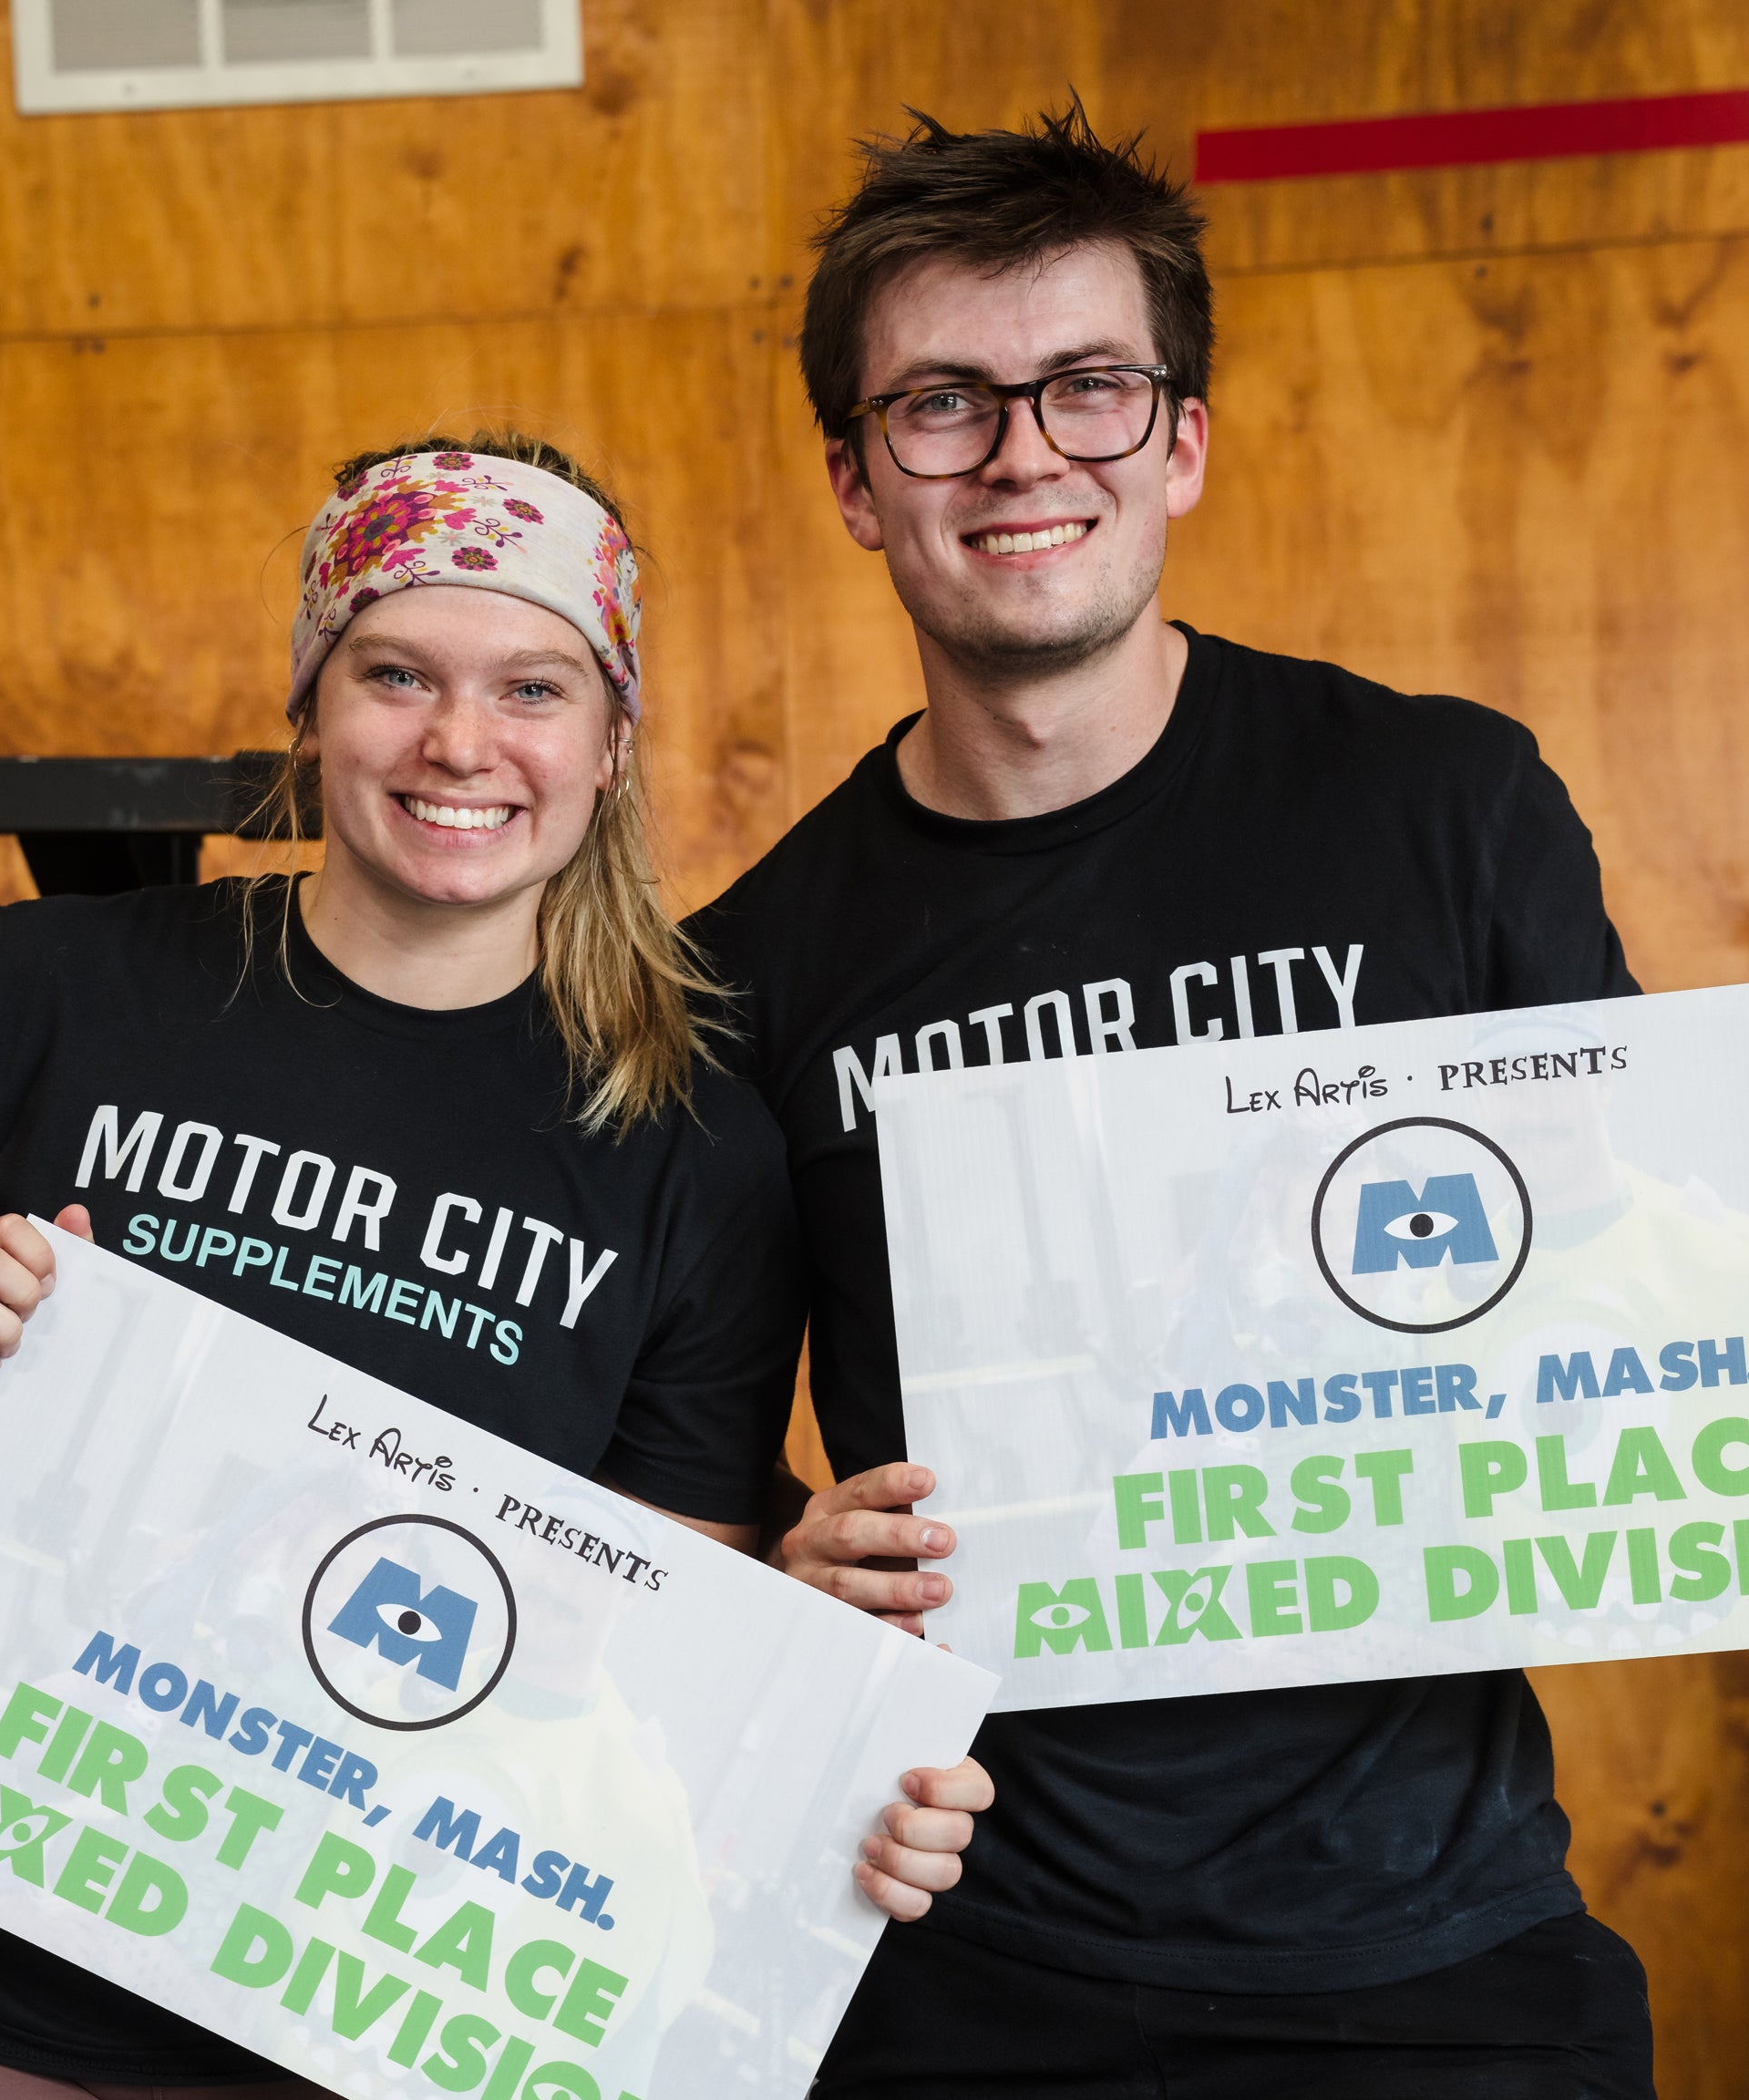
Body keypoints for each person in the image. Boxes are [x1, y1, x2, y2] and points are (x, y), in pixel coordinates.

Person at [0, 433, 975, 2097]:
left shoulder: (695, 1152)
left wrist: (823, 1717)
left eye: (534, 688)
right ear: (313, 706)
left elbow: (645, 1642)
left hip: (360, 1992)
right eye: (396, 673)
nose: (461, 742)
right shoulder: (48, 988)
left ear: (610, 746)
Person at [693, 110, 1656, 2097]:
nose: (1026, 453)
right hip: (966, 1969)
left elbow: (1640, 1297)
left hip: (1444, 1948)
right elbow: (697, 1500)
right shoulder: (748, 970)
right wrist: (781, 1578)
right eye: (943, 405)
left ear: (1183, 443)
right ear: (858, 483)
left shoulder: (1445, 809)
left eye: (1090, 390)